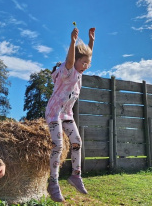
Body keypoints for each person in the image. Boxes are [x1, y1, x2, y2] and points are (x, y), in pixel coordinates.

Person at [45, 27, 95, 202]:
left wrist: (91, 42)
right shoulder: (68, 71)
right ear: (75, 62)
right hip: (54, 113)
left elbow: (85, 57)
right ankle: (53, 182)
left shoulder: (80, 72)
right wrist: (73, 42)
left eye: (87, 64)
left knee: (77, 142)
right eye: (83, 63)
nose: (86, 66)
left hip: (66, 114)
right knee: (58, 146)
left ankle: (76, 175)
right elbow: (71, 60)